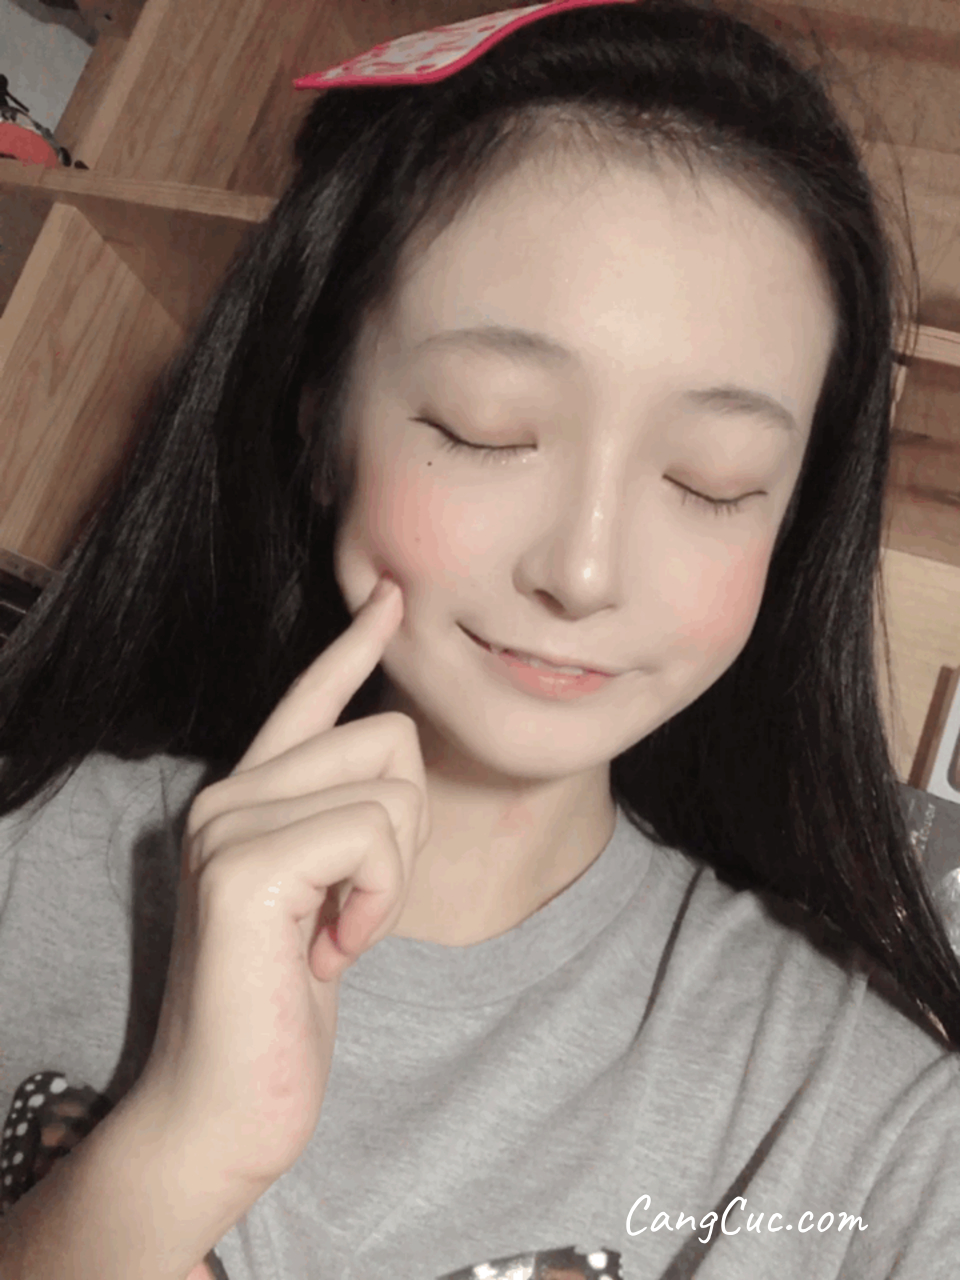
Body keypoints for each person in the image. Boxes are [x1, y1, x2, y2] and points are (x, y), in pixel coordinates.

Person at [1, 1, 958, 1276]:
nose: (582, 570)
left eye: (713, 480)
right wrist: (178, 1151)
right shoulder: (28, 859)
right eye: (487, 427)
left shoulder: (882, 1136)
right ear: (321, 414)